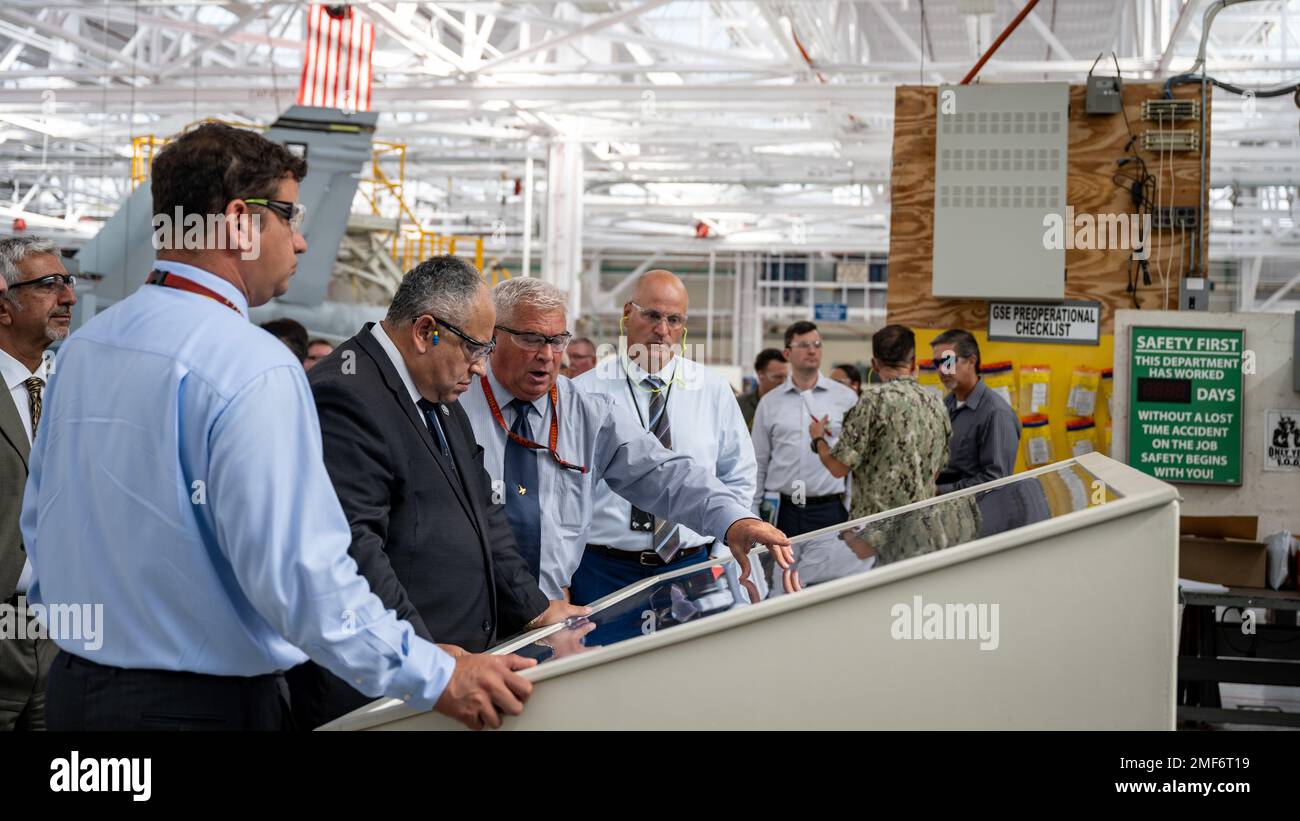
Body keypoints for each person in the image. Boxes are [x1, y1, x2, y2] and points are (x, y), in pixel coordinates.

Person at [22, 122, 533, 732]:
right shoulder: (249, 363)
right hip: (199, 709)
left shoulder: (85, 349)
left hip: (78, 692)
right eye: (289, 216)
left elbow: (41, 523)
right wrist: (432, 673)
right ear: (240, 221)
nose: (301, 240)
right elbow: (299, 575)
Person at [289, 256, 586, 729]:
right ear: (425, 331)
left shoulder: (437, 396)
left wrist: (536, 610)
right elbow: (354, 550)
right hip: (386, 695)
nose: (481, 369)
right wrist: (424, 659)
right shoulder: (347, 396)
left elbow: (485, 514)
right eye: (473, 349)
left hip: (448, 678)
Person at [460, 275, 790, 606]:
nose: (547, 354)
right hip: (479, 601)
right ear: (493, 336)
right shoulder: (454, 406)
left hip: (555, 605)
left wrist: (732, 520)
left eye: (557, 340)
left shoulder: (586, 410)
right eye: (531, 339)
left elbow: (662, 473)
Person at [573, 270, 757, 604]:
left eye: (674, 319)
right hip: (604, 571)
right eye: (652, 315)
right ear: (627, 313)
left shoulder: (713, 390)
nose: (662, 330)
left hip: (694, 567)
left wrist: (720, 551)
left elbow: (738, 475)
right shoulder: (584, 392)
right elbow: (567, 492)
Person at [0, 235, 72, 730]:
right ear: (4, 305)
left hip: (60, 634)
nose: (68, 297)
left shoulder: (77, 392)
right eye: (49, 285)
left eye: (67, 282)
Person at [809, 325, 951, 528]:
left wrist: (818, 439)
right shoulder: (937, 403)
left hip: (875, 531)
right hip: (923, 527)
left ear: (874, 364)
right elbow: (936, 471)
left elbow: (838, 468)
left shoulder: (871, 402)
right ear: (913, 362)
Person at [750, 321, 858, 537]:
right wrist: (753, 511)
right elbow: (758, 461)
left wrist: (852, 510)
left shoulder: (845, 398)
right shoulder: (770, 402)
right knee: (779, 561)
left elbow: (856, 461)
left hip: (829, 510)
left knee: (830, 562)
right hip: (780, 512)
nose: (812, 350)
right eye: (804, 345)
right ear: (787, 353)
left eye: (817, 344)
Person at [929, 328, 1021, 494]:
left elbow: (996, 482)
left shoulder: (996, 413)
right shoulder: (946, 405)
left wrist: (939, 492)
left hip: (976, 509)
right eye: (937, 363)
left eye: (948, 361)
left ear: (971, 361)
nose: (942, 369)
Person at [736, 348, 788, 430]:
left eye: (786, 377)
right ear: (760, 375)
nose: (783, 382)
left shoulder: (792, 405)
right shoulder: (739, 406)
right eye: (778, 377)